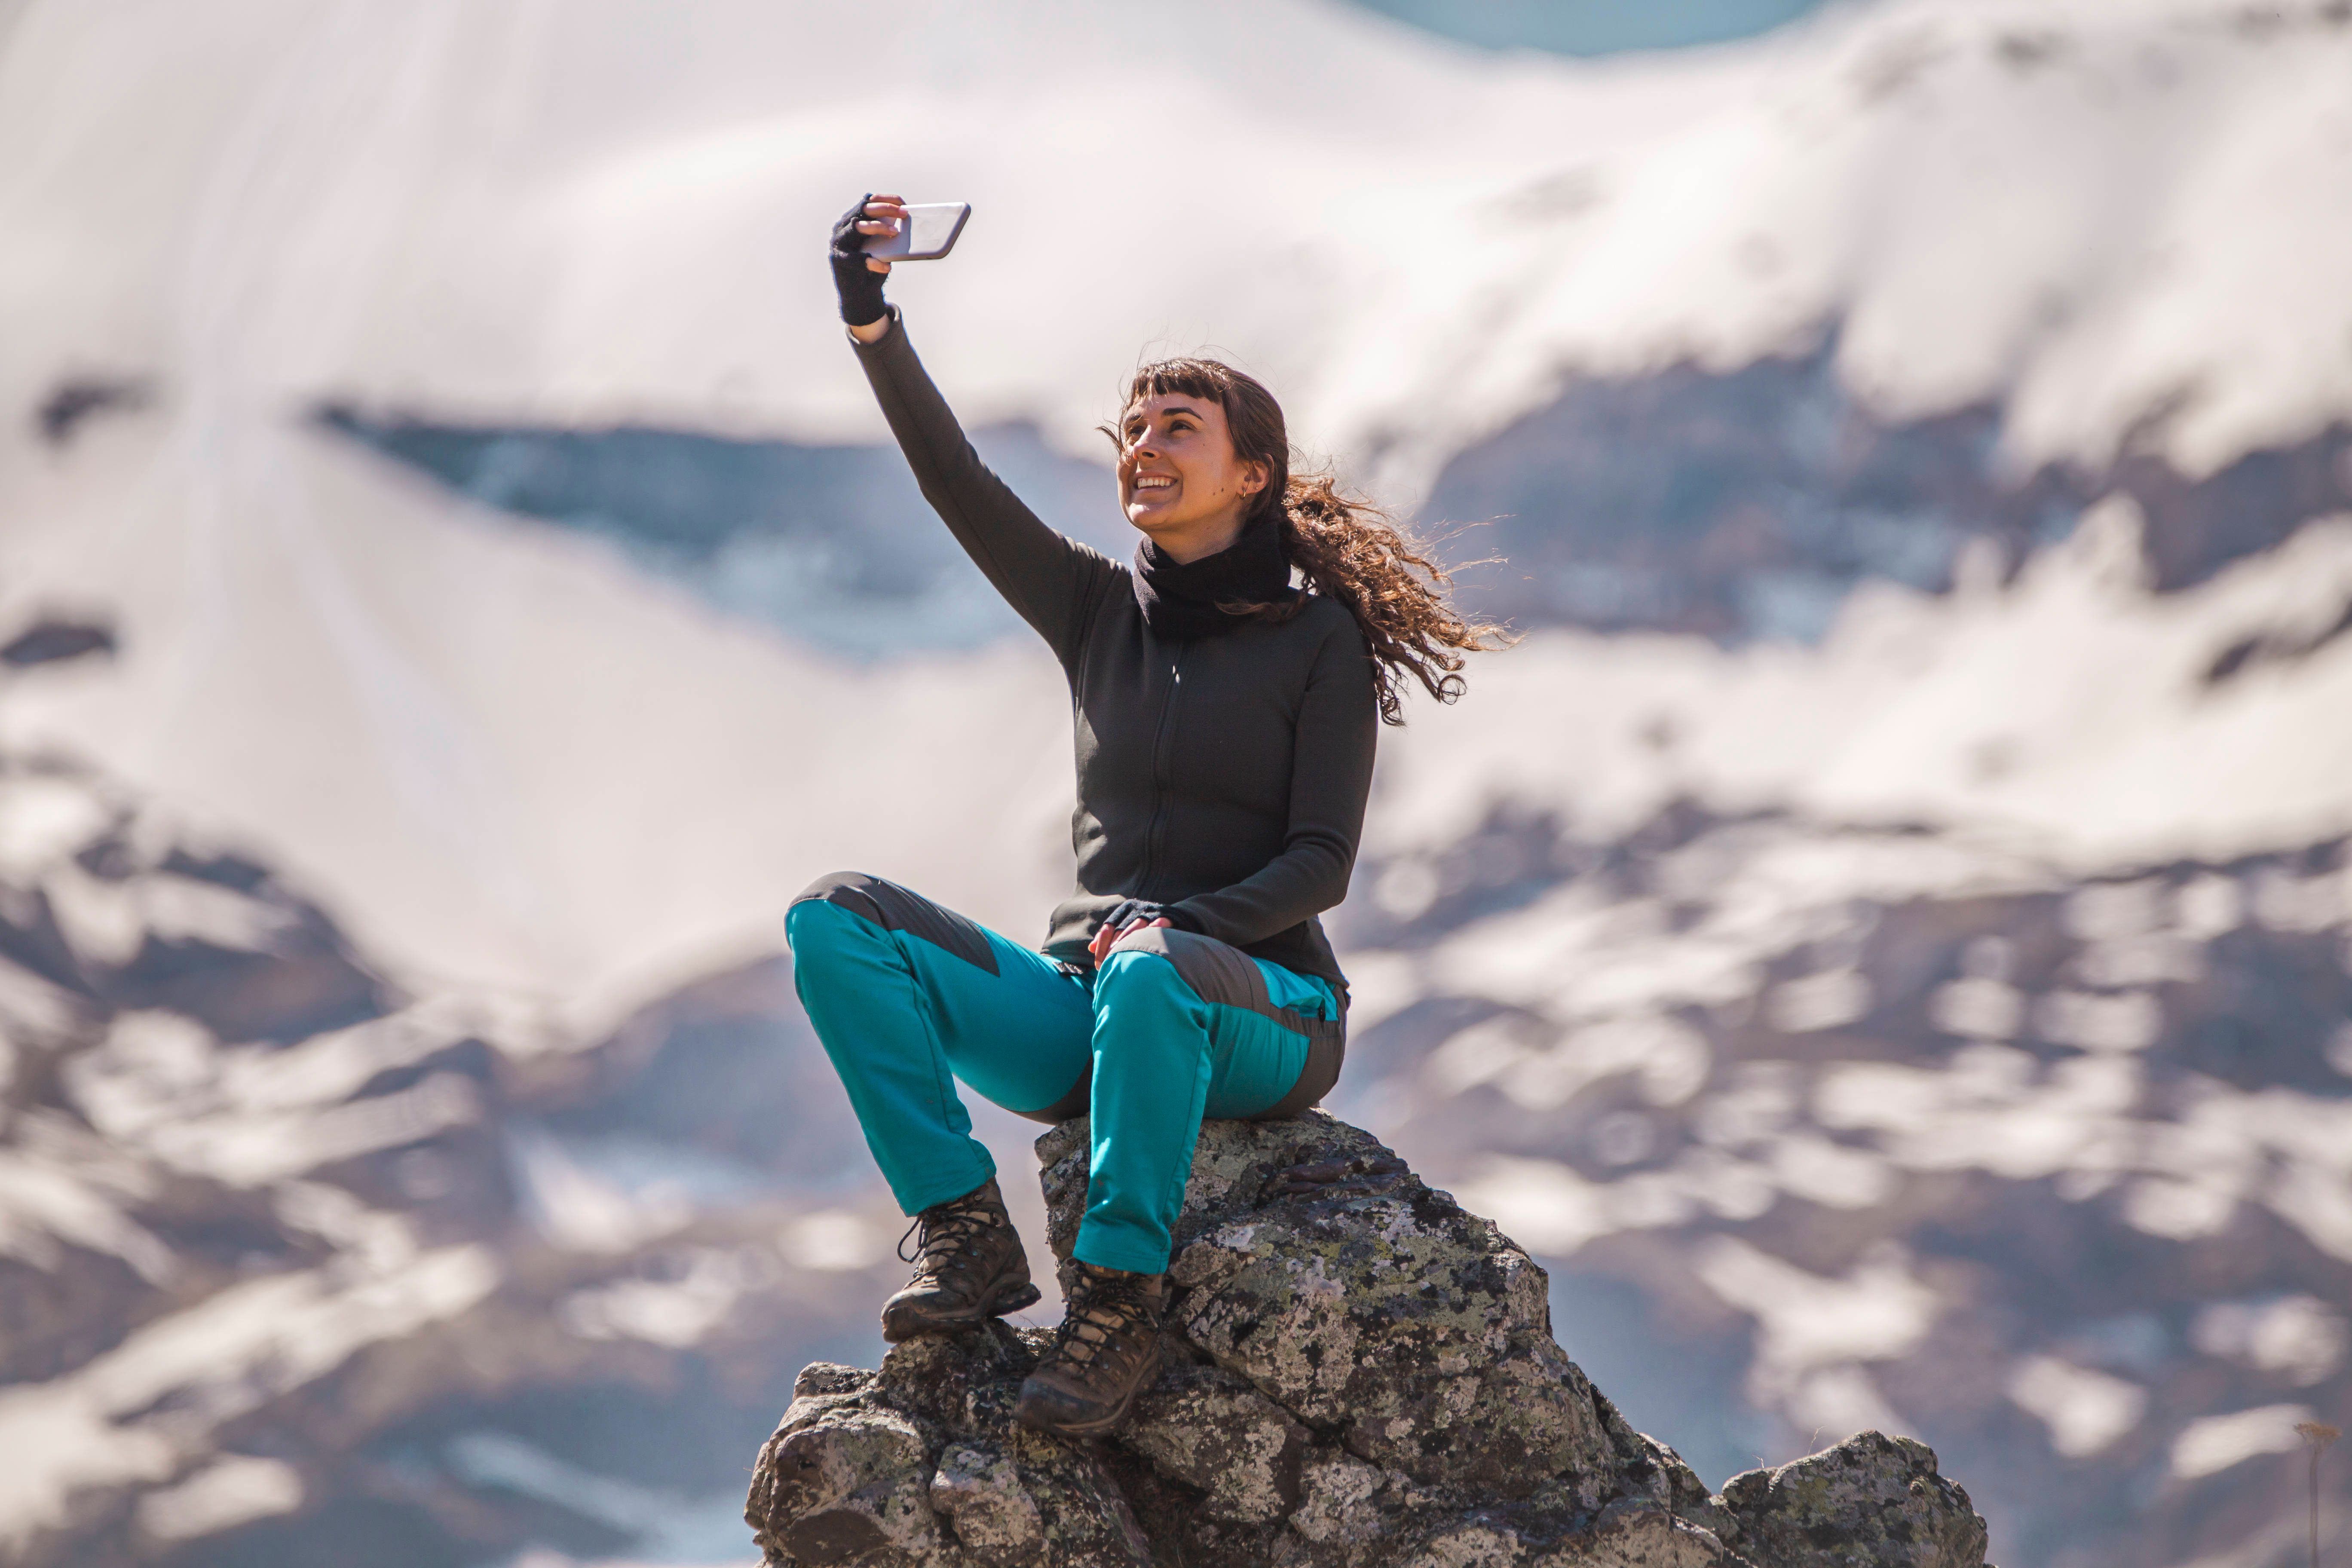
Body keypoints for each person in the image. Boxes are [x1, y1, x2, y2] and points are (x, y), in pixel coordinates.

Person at [788, 194, 1501, 1439]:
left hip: (1267, 1012)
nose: (1142, 446)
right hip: (1093, 1011)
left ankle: (1118, 1301)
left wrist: (1178, 931)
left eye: (1178, 427)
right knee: (834, 922)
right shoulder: (1095, 611)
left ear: (1252, 474)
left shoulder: (1319, 641)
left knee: (1153, 971)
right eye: (1131, 429)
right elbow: (954, 482)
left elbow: (1323, 863)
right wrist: (870, 320)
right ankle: (965, 1231)